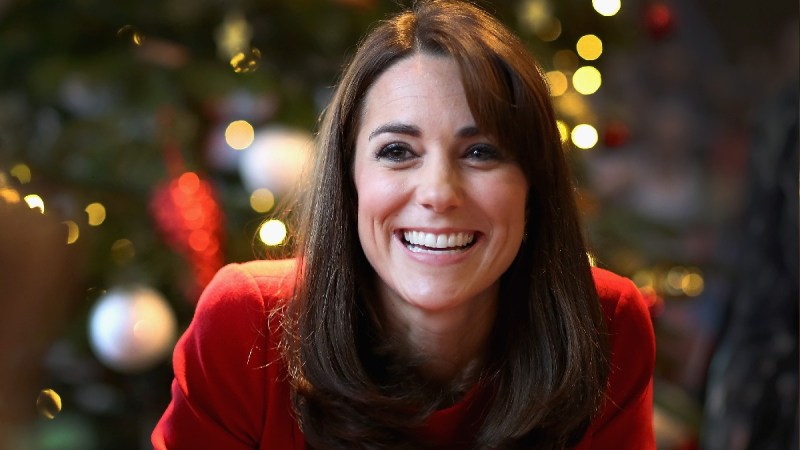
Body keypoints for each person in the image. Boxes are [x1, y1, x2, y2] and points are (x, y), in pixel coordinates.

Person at [152, 1, 656, 448]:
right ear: (349, 181)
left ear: (534, 183)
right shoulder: (248, 321)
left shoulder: (604, 323)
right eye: (397, 152)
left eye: (481, 152)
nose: (438, 193)